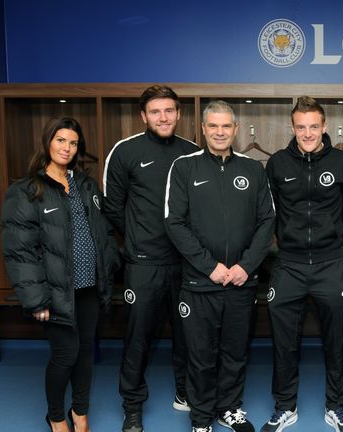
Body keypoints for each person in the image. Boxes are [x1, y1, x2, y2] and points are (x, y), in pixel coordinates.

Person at [0, 117, 120, 432]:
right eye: (60, 140)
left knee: (83, 355)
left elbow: (103, 233)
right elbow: (20, 251)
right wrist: (36, 300)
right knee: (65, 354)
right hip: (55, 293)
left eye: (73, 142)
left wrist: (109, 267)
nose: (66, 147)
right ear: (47, 143)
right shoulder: (26, 190)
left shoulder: (86, 185)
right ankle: (56, 417)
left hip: (89, 287)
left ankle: (80, 413)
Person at [165, 100, 275, 432]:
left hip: (241, 282)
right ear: (202, 129)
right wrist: (209, 266)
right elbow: (175, 224)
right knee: (200, 355)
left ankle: (229, 407)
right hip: (201, 283)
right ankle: (201, 418)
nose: (220, 132)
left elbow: (267, 221)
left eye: (226, 126)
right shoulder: (184, 168)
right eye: (213, 126)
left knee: (234, 351)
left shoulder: (253, 169)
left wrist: (245, 266)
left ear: (236, 129)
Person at [103, 85, 198, 432]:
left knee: (188, 334)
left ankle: (185, 392)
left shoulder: (192, 153)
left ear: (178, 113)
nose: (163, 117)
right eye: (155, 112)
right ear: (143, 116)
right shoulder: (125, 151)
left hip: (187, 264)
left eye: (169, 110)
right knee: (138, 337)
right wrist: (137, 238)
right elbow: (112, 205)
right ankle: (132, 405)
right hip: (143, 264)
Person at [261, 96, 343, 432]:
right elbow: (270, 215)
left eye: (313, 126)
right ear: (292, 127)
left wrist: (330, 241)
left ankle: (337, 405)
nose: (307, 133)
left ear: (324, 126)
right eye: (301, 127)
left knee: (336, 338)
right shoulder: (276, 164)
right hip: (289, 264)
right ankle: (285, 406)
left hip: (330, 264)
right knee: (284, 340)